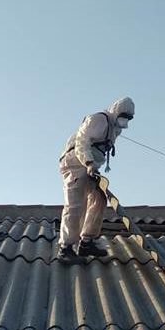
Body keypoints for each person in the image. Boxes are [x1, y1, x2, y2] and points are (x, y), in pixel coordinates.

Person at [57, 97, 135, 261]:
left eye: (128, 117)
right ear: (116, 111)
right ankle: (66, 247)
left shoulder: (114, 129)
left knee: (99, 197)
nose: (125, 120)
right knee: (76, 204)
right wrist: (89, 162)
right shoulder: (99, 119)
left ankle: (87, 241)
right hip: (75, 163)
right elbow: (82, 141)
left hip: (90, 166)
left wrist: (93, 166)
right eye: (123, 115)